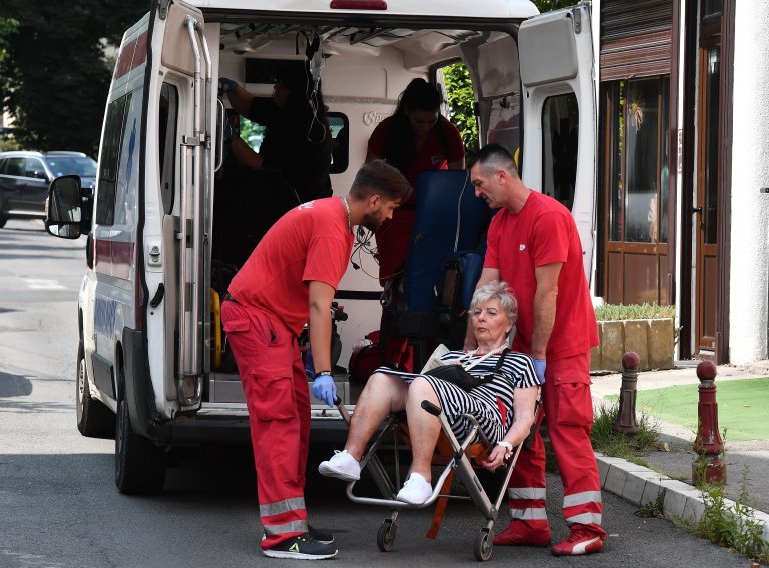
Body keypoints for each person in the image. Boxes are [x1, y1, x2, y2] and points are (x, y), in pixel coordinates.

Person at [220, 160, 411, 560]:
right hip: (259, 321)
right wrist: (324, 370)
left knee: (295, 420)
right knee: (279, 426)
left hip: (270, 323)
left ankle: (292, 520)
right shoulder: (331, 230)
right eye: (391, 208)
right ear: (373, 200)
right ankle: (282, 537)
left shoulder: (328, 216)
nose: (391, 216)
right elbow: (319, 307)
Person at [467, 144, 604, 556]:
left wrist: (539, 356)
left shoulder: (548, 217)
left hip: (561, 345)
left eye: (479, 184)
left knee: (568, 431)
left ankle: (588, 529)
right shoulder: (499, 225)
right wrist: (471, 348)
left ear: (502, 176)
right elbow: (485, 291)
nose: (477, 193)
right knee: (520, 432)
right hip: (523, 346)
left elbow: (549, 293)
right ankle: (530, 523)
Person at [318, 280, 539, 505]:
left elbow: (525, 418)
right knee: (381, 378)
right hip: (439, 413)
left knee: (424, 383)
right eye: (477, 312)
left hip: (481, 424)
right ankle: (351, 456)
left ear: (509, 323)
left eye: (491, 313)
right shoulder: (451, 356)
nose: (481, 318)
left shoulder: (519, 362)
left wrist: (506, 444)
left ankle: (421, 477)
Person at [367, 78, 466, 285]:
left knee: (430, 274)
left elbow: (458, 182)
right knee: (394, 275)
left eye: (432, 121)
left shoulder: (449, 134)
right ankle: (392, 313)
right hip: (395, 214)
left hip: (433, 215)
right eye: (419, 121)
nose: (426, 127)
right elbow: (371, 174)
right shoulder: (387, 131)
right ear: (407, 112)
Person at [219, 61, 332, 204]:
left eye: (282, 86)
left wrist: (232, 138)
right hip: (287, 198)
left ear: (297, 94)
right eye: (277, 82)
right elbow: (250, 105)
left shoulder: (308, 131)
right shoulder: (283, 108)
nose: (275, 87)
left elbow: (263, 166)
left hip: (301, 204)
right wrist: (231, 87)